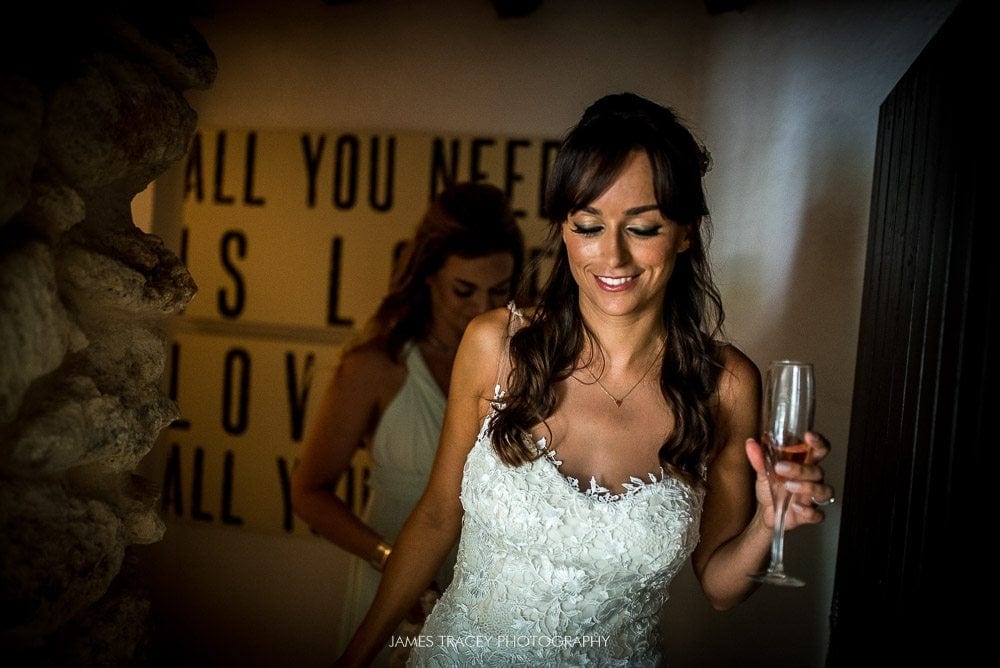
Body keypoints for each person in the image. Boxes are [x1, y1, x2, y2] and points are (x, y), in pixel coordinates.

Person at [336, 93, 836, 667]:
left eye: (643, 227)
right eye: (589, 225)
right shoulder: (495, 346)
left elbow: (721, 586)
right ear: (563, 230)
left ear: (685, 232)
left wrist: (768, 524)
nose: (613, 257)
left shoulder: (725, 384)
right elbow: (435, 516)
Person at [291, 181, 525, 666]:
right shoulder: (377, 367)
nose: (482, 309)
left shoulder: (527, 368)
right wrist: (387, 556)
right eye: (464, 289)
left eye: (498, 290)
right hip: (393, 585)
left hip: (492, 597)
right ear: (428, 276)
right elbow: (308, 493)